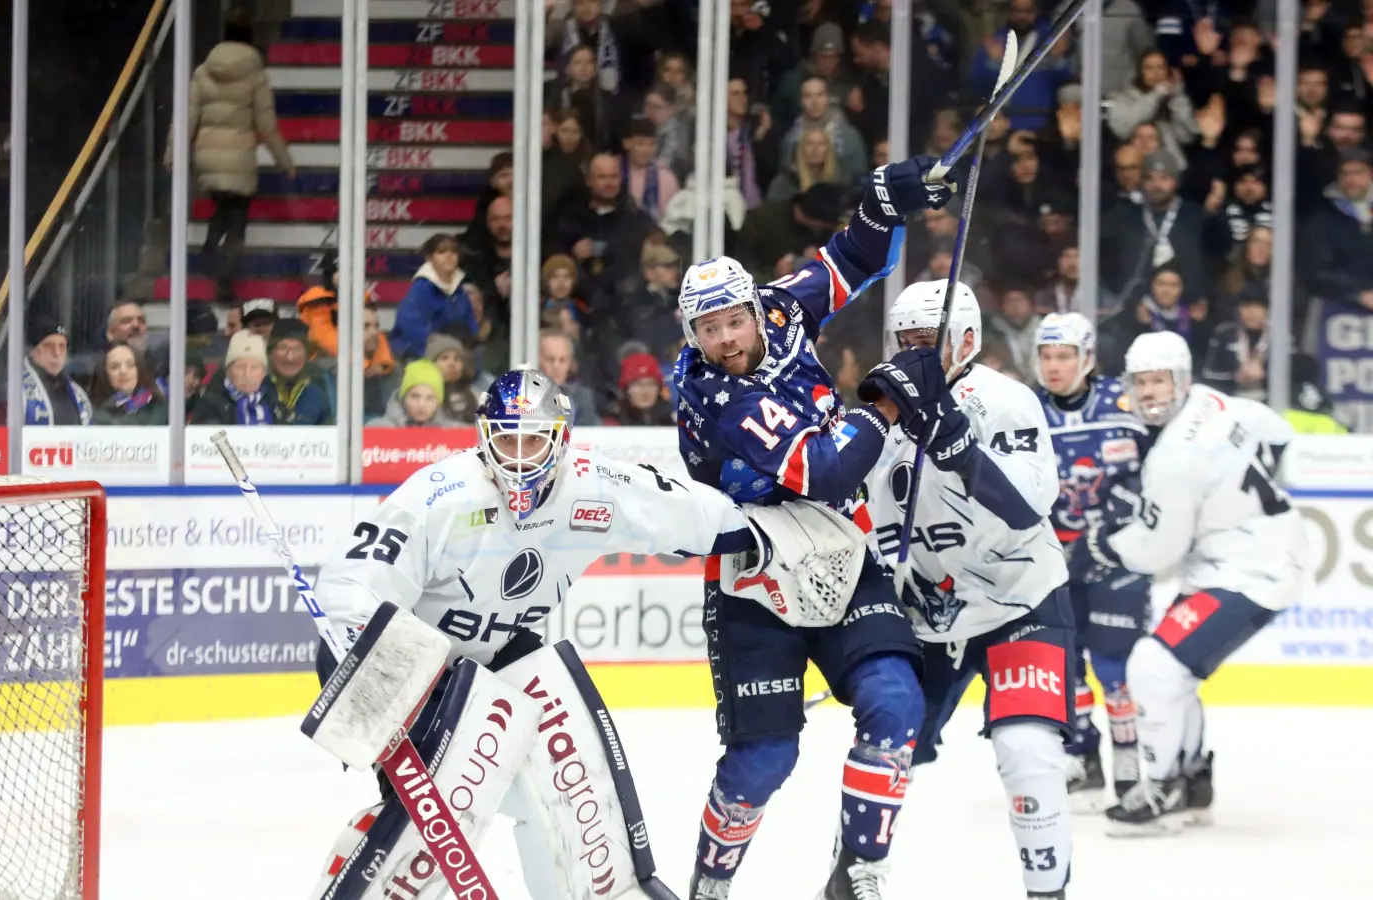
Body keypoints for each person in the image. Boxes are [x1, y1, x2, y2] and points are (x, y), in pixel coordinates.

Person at [307, 367, 858, 900]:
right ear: (483, 438)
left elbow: (683, 511)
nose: (518, 459)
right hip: (408, 669)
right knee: (440, 810)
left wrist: (764, 533)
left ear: (562, 439)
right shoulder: (442, 496)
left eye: (533, 441)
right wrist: (383, 687)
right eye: (506, 441)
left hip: (501, 655)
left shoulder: (594, 486)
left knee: (572, 788)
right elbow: (353, 590)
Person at [671, 154, 958, 900]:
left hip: (840, 549)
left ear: (754, 308)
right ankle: (710, 884)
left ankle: (857, 871)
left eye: (733, 320)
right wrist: (888, 403)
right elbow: (826, 468)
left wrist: (882, 204)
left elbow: (852, 260)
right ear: (693, 335)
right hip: (754, 574)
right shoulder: (712, 394)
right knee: (765, 760)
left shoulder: (781, 310)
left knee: (897, 704)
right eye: (708, 329)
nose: (726, 339)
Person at [860, 282, 1074, 900]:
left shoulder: (1005, 402)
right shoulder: (880, 415)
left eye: (928, 342)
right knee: (884, 748)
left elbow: (1028, 506)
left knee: (1027, 751)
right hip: (929, 617)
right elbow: (862, 517)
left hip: (1021, 602)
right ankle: (850, 878)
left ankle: (1047, 893)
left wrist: (960, 447)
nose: (914, 354)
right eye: (905, 341)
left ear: (968, 340)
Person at [1084, 332, 1308, 834]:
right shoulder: (1218, 401)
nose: (1149, 392)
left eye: (1159, 381)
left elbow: (1160, 550)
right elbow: (1279, 434)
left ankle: (1162, 788)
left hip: (1248, 573)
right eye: (1141, 382)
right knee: (1175, 672)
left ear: (1181, 381)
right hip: (1256, 558)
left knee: (1154, 666)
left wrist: (1104, 546)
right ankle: (1192, 783)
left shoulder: (1173, 457)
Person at [1033, 313, 1152, 809]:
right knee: (1066, 664)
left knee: (1113, 665)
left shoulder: (1124, 405)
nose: (1054, 366)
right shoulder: (1027, 410)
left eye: (1064, 356)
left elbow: (1153, 475)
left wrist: (1113, 529)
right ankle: (1083, 755)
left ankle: (1128, 758)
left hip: (1115, 560)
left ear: (1086, 358)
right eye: (1046, 356)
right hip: (1053, 562)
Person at [173, 9, 295, 304]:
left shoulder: (202, 72)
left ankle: (210, 246)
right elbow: (266, 125)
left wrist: (172, 154)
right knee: (237, 224)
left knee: (222, 206)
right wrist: (285, 162)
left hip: (208, 158)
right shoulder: (255, 76)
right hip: (239, 158)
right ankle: (225, 282)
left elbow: (186, 118)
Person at [188, 331, 273, 425]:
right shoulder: (209, 406)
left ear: (264, 373)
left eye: (254, 367)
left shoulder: (274, 404)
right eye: (240, 367)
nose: (247, 374)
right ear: (228, 371)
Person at [21, 318, 93, 426]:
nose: (57, 353)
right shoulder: (15, 392)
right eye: (48, 346)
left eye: (62, 346)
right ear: (33, 351)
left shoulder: (78, 394)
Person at [265, 319, 331, 425]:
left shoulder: (320, 387)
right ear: (270, 351)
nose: (290, 357)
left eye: (297, 349)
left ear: (306, 355)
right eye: (283, 348)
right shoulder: (255, 385)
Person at [88, 341, 169, 426]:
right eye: (115, 367)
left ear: (139, 370)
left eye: (130, 365)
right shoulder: (91, 413)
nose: (123, 371)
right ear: (104, 374)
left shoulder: (161, 409)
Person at [367, 358, 464, 428]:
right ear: (403, 398)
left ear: (438, 402)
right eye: (414, 397)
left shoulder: (453, 432)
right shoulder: (378, 429)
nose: (421, 404)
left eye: (430, 398)